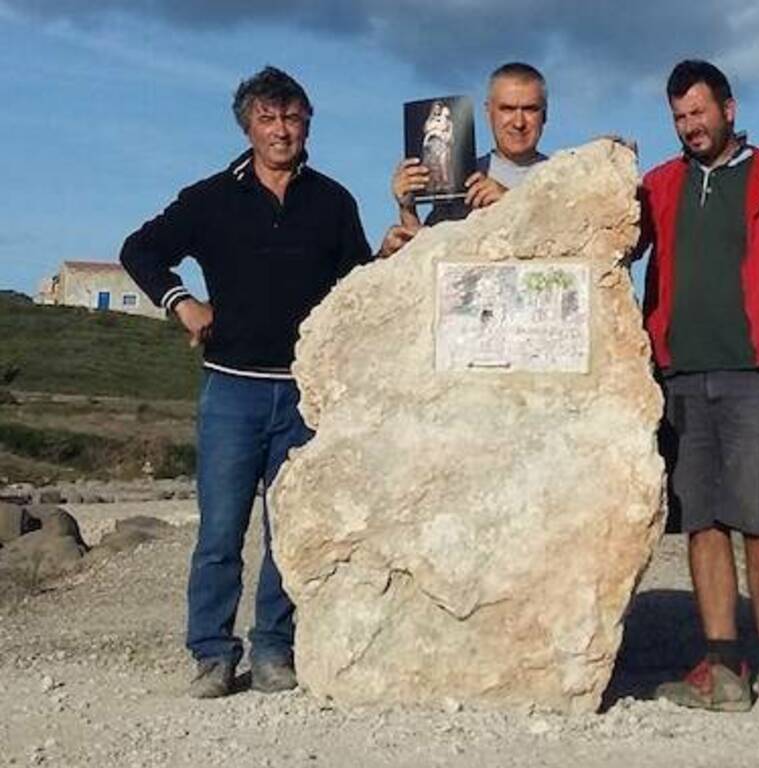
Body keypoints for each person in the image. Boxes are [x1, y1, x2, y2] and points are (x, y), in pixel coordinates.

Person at [120, 66, 410, 699]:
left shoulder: (332, 200)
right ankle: (212, 655)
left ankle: (275, 649)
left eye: (293, 117)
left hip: (305, 393)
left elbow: (351, 287)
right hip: (231, 390)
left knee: (290, 532)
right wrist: (182, 303)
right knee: (220, 532)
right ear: (248, 126)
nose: (282, 130)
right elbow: (139, 249)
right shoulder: (210, 198)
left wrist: (387, 256)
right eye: (268, 119)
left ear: (308, 123)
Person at [637, 60, 759, 726]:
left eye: (700, 112)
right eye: (680, 117)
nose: (691, 126)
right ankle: (721, 665)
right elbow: (609, 233)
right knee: (702, 522)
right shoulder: (661, 184)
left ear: (729, 108)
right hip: (680, 379)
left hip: (756, 379)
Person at [392, 61, 549, 231]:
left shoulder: (571, 177)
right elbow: (429, 250)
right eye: (507, 109)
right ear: (488, 113)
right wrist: (407, 209)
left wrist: (508, 204)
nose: (519, 122)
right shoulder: (461, 178)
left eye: (530, 109)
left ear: (545, 114)